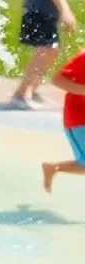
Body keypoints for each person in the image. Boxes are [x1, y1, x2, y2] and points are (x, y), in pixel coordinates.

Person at [42, 47, 85, 192]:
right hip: (79, 119)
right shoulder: (83, 58)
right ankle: (52, 168)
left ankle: (52, 167)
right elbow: (56, 80)